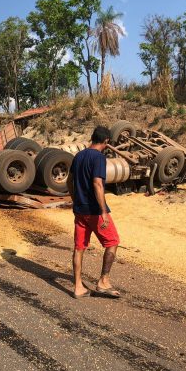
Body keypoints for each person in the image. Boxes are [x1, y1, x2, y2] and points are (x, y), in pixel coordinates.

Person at [66, 126, 121, 299]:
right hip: (94, 211)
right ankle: (103, 281)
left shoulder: (78, 156)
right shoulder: (99, 157)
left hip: (80, 210)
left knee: (79, 248)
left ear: (92, 137)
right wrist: (103, 211)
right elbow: (97, 183)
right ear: (106, 141)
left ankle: (78, 287)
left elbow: (69, 181)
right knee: (113, 241)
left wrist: (76, 200)